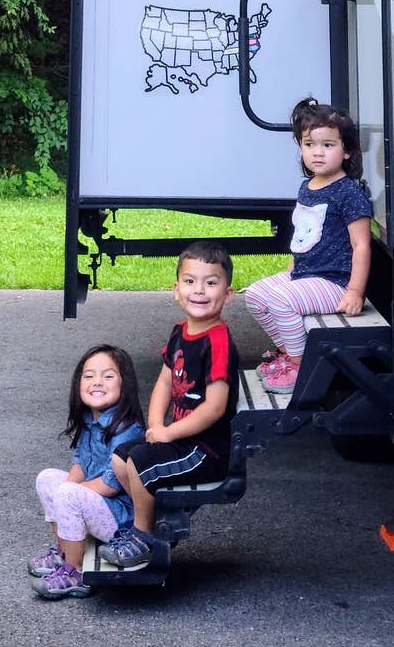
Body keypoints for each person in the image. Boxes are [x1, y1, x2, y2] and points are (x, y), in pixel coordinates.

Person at [99, 241, 240, 571]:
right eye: (190, 281)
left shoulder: (217, 341)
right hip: (181, 440)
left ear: (228, 294)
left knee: (140, 463)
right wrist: (155, 426)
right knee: (121, 458)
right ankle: (148, 520)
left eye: (211, 282)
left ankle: (143, 537)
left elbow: (215, 408)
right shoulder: (180, 332)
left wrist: (169, 433)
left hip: (205, 451)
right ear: (176, 290)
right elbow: (164, 382)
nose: (200, 291)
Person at [243, 98, 373, 394]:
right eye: (309, 144)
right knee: (256, 295)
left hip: (335, 282)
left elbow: (361, 245)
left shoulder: (348, 193)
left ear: (347, 150)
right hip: (306, 273)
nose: (317, 152)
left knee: (281, 301)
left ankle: (303, 366)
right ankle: (290, 354)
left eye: (328, 145)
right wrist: (292, 266)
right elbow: (304, 233)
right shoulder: (308, 186)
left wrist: (355, 291)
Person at [29, 344, 147, 599]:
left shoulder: (127, 427)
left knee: (67, 494)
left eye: (108, 376)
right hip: (97, 505)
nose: (97, 382)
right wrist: (65, 492)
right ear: (78, 383)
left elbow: (110, 485)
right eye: (89, 375)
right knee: (47, 478)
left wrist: (68, 495)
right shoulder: (89, 419)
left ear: (124, 384)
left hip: (120, 521)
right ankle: (64, 551)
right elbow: (80, 462)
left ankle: (76, 572)